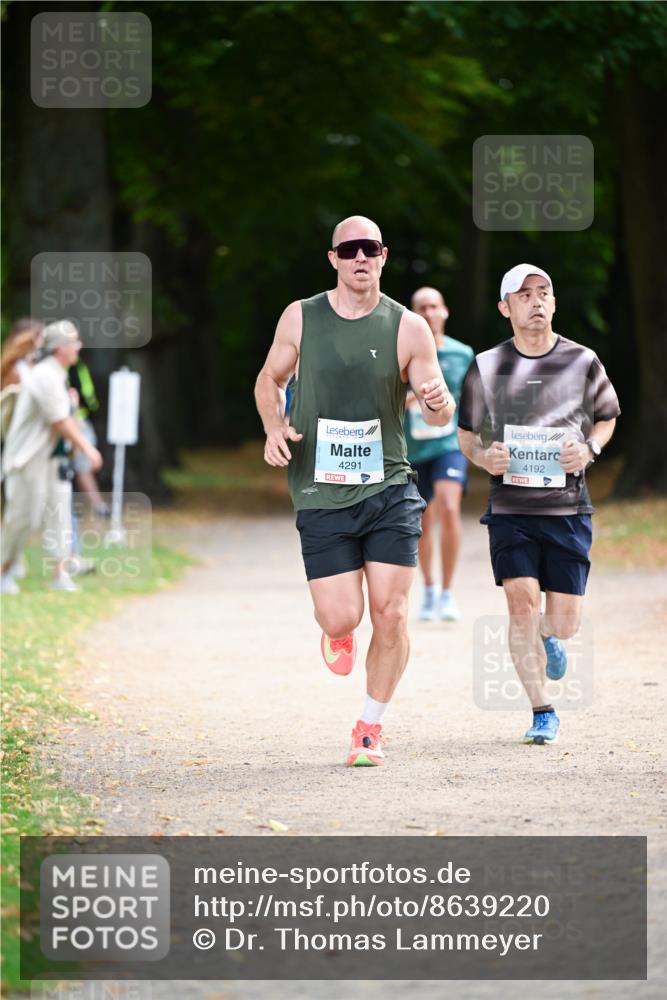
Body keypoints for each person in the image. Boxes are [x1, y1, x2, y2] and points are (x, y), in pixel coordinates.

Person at [255, 216, 455, 767]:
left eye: (370, 248)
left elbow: (439, 410)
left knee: (391, 612)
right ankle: (337, 634)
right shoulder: (302, 317)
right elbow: (269, 380)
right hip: (320, 490)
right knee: (343, 616)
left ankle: (369, 727)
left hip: (389, 486)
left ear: (384, 256)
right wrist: (275, 426)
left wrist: (439, 402)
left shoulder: (408, 327)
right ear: (334, 258)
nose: (360, 257)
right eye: (350, 249)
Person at [458, 264, 620, 746]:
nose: (536, 301)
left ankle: (552, 636)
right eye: (523, 295)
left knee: (564, 622)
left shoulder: (583, 360)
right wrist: (485, 457)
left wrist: (589, 449)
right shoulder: (486, 365)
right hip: (511, 508)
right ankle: (542, 709)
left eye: (543, 292)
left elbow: (607, 418)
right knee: (521, 605)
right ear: (505, 308)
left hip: (568, 508)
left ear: (553, 302)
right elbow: (466, 436)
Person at [1, 320, 103, 594]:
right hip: (28, 459)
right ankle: (4, 571)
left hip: (52, 459)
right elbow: (60, 421)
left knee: (59, 512)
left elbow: (67, 417)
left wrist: (73, 405)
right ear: (61, 347)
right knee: (23, 517)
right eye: (74, 343)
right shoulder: (45, 375)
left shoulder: (58, 374)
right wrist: (88, 449)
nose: (78, 347)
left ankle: (60, 574)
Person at [404, 287, 474, 622]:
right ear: (413, 313)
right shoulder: (401, 351)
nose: (429, 312)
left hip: (449, 445)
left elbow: (474, 399)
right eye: (422, 307)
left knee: (449, 507)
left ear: (444, 311)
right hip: (413, 448)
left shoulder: (462, 354)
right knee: (422, 520)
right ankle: (429, 589)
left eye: (434, 306)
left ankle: (447, 593)